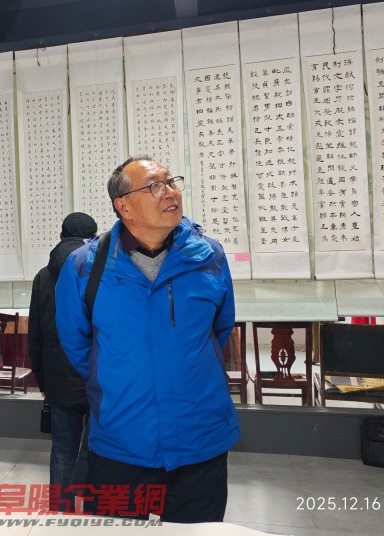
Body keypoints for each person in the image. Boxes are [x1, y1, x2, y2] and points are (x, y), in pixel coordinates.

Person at [55, 156, 238, 523]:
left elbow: (220, 329)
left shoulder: (209, 257)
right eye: (155, 186)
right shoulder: (84, 267)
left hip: (199, 441)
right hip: (121, 443)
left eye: (171, 182)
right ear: (123, 207)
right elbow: (77, 347)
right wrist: (123, 380)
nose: (170, 192)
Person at [28, 213, 97, 511]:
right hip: (99, 378)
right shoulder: (103, 271)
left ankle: (59, 514)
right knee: (100, 451)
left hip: (59, 380)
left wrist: (43, 380)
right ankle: (96, 515)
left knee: (63, 451)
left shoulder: (43, 277)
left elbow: (35, 336)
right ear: (95, 237)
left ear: (60, 236)